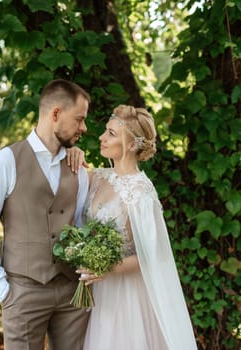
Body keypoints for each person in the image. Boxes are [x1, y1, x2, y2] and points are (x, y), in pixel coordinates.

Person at [0, 79, 91, 350]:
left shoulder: (78, 167)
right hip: (23, 292)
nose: (84, 127)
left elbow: (83, 223)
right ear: (56, 113)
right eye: (79, 119)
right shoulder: (5, 161)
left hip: (72, 293)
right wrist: (4, 291)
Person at [73, 105, 197, 349]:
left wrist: (106, 268)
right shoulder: (97, 176)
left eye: (110, 134)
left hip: (125, 295)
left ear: (131, 145)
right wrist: (74, 153)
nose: (101, 137)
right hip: (98, 293)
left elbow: (152, 255)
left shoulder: (141, 193)